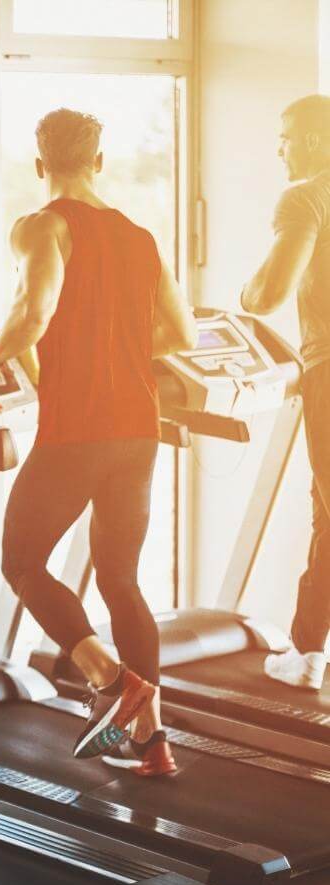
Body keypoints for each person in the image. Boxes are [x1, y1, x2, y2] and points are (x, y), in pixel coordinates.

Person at [0, 109, 197, 776]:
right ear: (100, 161)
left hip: (78, 428)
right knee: (121, 579)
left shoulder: (45, 224)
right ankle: (153, 744)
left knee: (20, 559)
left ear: (40, 164)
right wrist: (118, 343)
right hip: (138, 428)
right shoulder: (140, 236)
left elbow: (34, 310)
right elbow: (180, 333)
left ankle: (109, 678)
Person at [243, 94, 330, 691]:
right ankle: (307, 651)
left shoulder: (305, 197)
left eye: (287, 136)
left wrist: (246, 296)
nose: (280, 148)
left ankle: (307, 652)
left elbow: (270, 291)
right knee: (324, 510)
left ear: (316, 142)